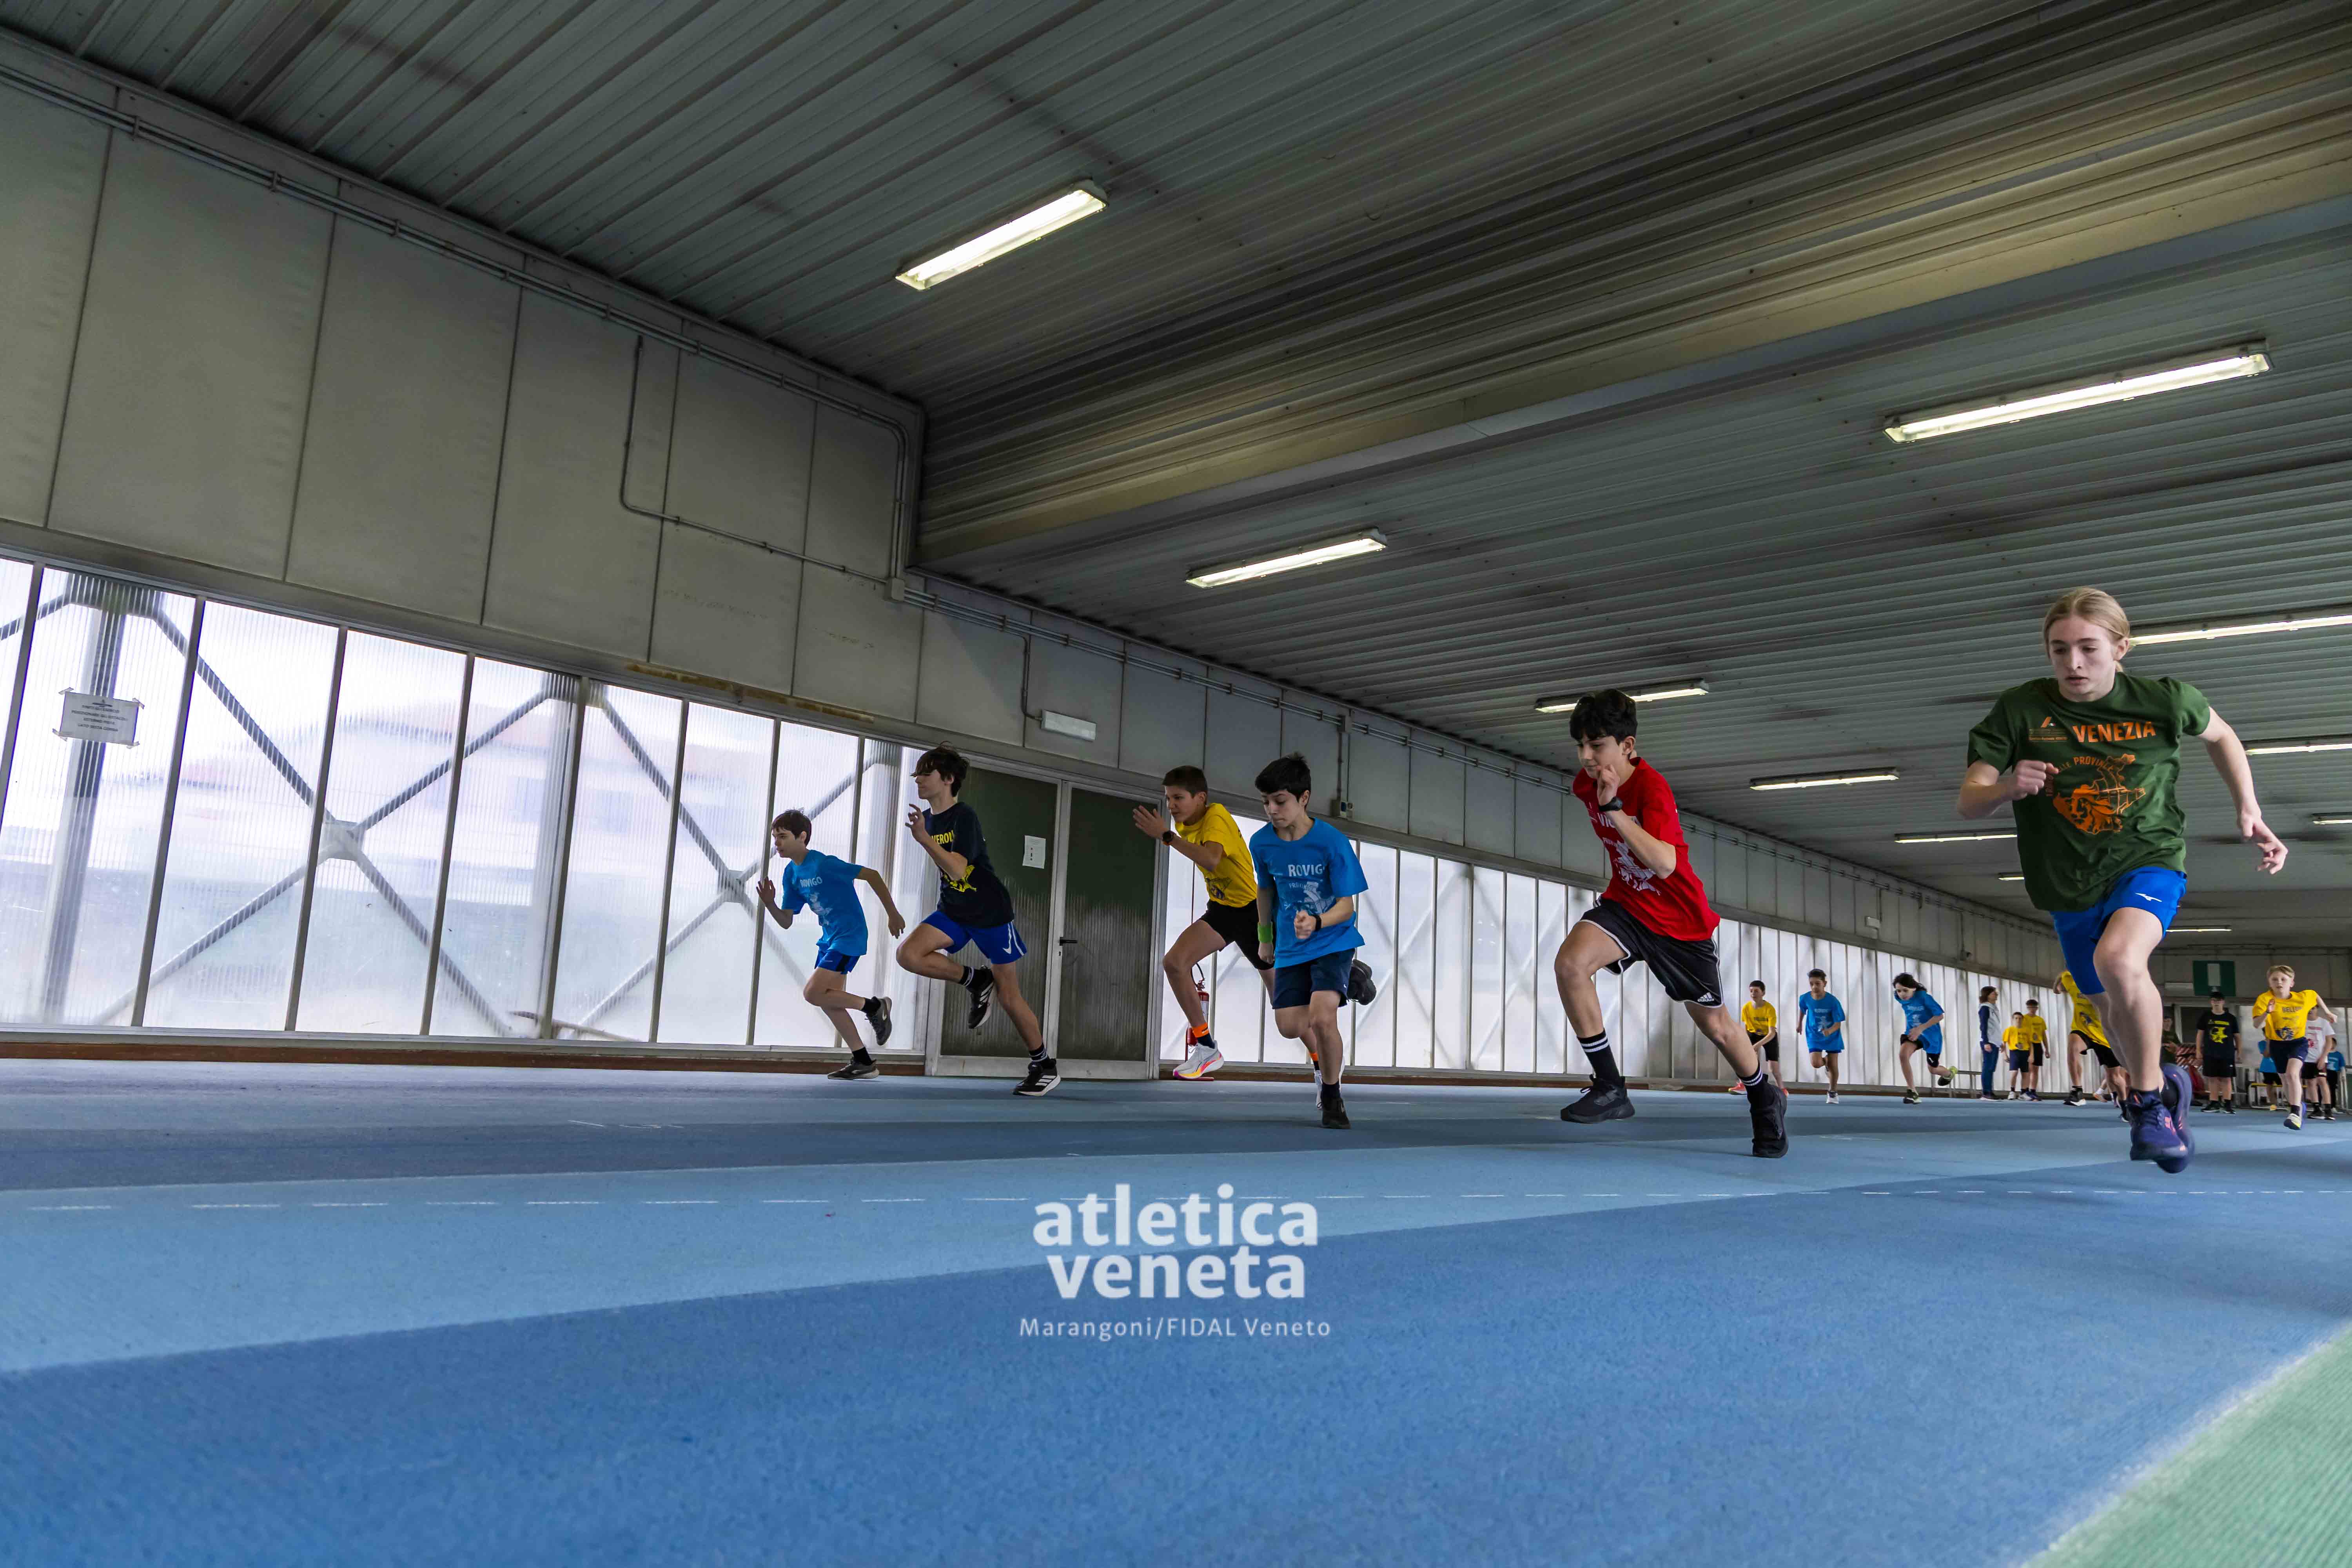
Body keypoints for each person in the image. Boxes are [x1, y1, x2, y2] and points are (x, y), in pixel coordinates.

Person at [1959, 587, 2285, 1173]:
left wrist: (2249, 807)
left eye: (2088, 648)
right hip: (2065, 880)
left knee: (2119, 959)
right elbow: (1969, 800)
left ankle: (2147, 1101)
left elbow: (2223, 736)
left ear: (2120, 648)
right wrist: (2006, 786)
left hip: (2148, 857)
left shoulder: (2165, 700)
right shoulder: (2021, 710)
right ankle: (2168, 1087)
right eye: (2059, 650)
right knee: (2108, 1006)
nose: (2073, 663)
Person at [1552, 691, 1787, 1156]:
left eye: (1597, 745)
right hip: (1627, 906)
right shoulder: (1586, 784)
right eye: (1580, 745)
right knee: (1570, 965)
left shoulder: (1652, 789)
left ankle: (1765, 1096)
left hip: (1680, 922)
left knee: (1718, 1026)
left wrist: (1616, 810)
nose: (1586, 757)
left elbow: (1664, 864)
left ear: (1628, 746)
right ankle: (1611, 1086)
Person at [894, 746, 1057, 1096]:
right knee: (909, 955)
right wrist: (925, 835)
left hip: (989, 913)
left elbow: (957, 868)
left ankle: (1044, 1065)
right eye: (917, 774)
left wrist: (924, 840)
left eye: (926, 773)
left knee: (1009, 997)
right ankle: (975, 979)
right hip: (954, 909)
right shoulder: (928, 819)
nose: (918, 780)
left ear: (948, 779)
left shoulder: (963, 816)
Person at [1249, 753, 1376, 1130]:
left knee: (1322, 1018)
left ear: (1304, 798)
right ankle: (1349, 977)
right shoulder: (1262, 843)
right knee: (1290, 1026)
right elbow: (1265, 891)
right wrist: (1265, 938)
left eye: (1280, 801)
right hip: (1291, 945)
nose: (1272, 810)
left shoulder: (1332, 843)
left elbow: (1347, 908)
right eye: (1266, 802)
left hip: (1333, 939)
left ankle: (1332, 1096)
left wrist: (1317, 922)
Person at [1133, 765, 1277, 1081]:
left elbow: (1211, 859)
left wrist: (1166, 837)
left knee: (1285, 1011)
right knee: (1174, 963)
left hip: (1253, 912)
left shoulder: (1216, 816)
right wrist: (1170, 834)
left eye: (1178, 798)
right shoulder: (1183, 824)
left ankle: (1335, 985)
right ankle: (1207, 1047)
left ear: (1201, 798)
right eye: (1168, 798)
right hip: (1223, 910)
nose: (1171, 805)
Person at [757, 810, 906, 1077]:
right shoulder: (791, 874)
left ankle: (875, 1007)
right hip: (829, 940)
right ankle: (863, 1062)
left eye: (783, 837)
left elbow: (872, 875)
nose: (777, 843)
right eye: (775, 838)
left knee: (812, 993)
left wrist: (893, 914)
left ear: (802, 837)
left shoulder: (824, 864)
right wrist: (770, 904)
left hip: (849, 936)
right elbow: (786, 921)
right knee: (828, 1001)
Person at [2252, 964, 2335, 1131]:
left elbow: (2315, 995)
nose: (2279, 982)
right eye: (2275, 979)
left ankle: (2295, 1113)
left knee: (2292, 1074)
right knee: (2284, 1078)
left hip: (2298, 1042)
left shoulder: (2302, 998)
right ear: (2270, 983)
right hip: (2277, 1044)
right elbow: (2256, 1025)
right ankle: (2297, 1106)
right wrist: (2267, 1012)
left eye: (2284, 979)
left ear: (2292, 983)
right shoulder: (2264, 999)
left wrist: (2327, 1013)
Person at [2058, 968, 2126, 1108]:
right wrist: (2059, 981)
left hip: (2105, 1036)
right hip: (2083, 1030)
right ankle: (2077, 1091)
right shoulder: (2073, 982)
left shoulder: (2105, 988)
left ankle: (2125, 1103)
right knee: (2073, 1047)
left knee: (2114, 1077)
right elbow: (2059, 986)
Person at [1893, 973, 1949, 1105]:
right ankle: (1912, 1092)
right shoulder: (1898, 997)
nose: (1902, 994)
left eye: (1905, 990)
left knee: (1933, 1070)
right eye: (1899, 991)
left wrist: (1921, 1028)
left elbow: (1940, 1016)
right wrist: (1916, 1030)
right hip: (1913, 1034)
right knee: (1903, 1055)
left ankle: (1948, 1074)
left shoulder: (1924, 998)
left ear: (1914, 988)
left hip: (1932, 1037)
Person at [1797, 969, 1846, 1103]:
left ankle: (1833, 1092)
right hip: (1814, 1034)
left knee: (1834, 1065)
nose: (1814, 987)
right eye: (1811, 984)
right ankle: (1826, 1062)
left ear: (1824, 983)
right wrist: (1799, 1024)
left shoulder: (1833, 1001)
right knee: (1816, 1063)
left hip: (1832, 1035)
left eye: (1818, 984)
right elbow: (1803, 1009)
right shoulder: (1805, 998)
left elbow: (1838, 1023)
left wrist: (1829, 1031)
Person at [1730, 980, 1781, 1095]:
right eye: (1751, 991)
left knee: (1774, 1068)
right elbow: (1747, 1028)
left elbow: (1772, 1033)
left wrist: (1758, 1045)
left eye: (1756, 991)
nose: (1753, 993)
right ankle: (1744, 1085)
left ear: (1763, 993)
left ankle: (1782, 1089)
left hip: (1768, 1036)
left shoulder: (1769, 1009)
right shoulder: (1746, 1008)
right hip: (1753, 1034)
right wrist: (1747, 1043)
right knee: (1746, 1059)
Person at [2194, 992, 2241, 1113]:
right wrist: (2198, 1051)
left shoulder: (2231, 1018)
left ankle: (2228, 1104)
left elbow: (2237, 1037)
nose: (2216, 1003)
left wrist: (2239, 1052)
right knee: (2212, 1078)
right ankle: (2214, 1102)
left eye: (2219, 1001)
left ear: (2223, 1002)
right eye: (2214, 1000)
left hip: (2227, 1053)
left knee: (2227, 1078)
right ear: (2211, 1002)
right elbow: (2200, 1034)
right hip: (2210, 1052)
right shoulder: (2206, 1017)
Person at [2307, 1010, 2339, 1122]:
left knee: (2322, 1081)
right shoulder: (2302, 1022)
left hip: (2320, 1058)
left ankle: (2328, 1110)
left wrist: (2323, 1057)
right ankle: (2317, 1109)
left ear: (2317, 1009)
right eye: (2309, 1008)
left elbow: (2329, 1042)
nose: (2311, 1011)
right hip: (2307, 1058)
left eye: (2313, 1008)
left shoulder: (2324, 1023)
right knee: (2310, 1082)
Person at [2016, 998, 2049, 1100]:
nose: (2032, 1009)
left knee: (2036, 1069)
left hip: (2038, 1045)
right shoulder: (2024, 1019)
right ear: (2028, 1008)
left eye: (2034, 1008)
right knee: (2028, 1069)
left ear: (2037, 1008)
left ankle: (2033, 1091)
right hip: (2027, 1045)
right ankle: (2025, 1091)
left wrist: (2047, 1049)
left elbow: (2044, 1035)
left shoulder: (2040, 1020)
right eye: (2030, 1008)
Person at [1976, 986, 2002, 1100]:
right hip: (1988, 1041)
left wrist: (2000, 1042)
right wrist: (1986, 1042)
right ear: (1987, 995)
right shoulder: (1985, 1008)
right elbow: (1984, 1026)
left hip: (1995, 1041)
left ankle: (1990, 1091)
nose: (1996, 995)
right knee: (1987, 1067)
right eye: (1993, 993)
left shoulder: (1993, 1008)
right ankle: (1986, 1092)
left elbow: (1995, 1027)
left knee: (1992, 1068)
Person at [2004, 1012, 2031, 1099]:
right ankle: (2012, 1091)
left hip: (2025, 1053)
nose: (2018, 1020)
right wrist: (2005, 1055)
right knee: (2014, 1072)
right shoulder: (2009, 1030)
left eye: (2020, 1018)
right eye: (2016, 1018)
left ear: (2023, 1020)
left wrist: (2032, 1055)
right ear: (2013, 1019)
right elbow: (2004, 1043)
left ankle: (2023, 1093)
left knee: (2025, 1074)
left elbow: (2030, 1044)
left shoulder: (2027, 1030)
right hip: (2014, 1052)